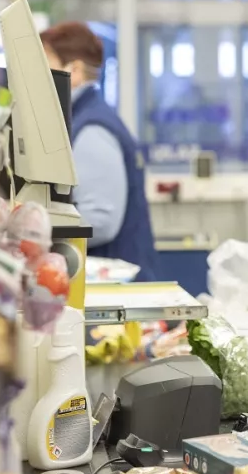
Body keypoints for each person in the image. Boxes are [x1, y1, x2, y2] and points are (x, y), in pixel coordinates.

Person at [40, 21, 160, 281]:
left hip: (117, 288)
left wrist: (38, 230)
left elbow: (101, 221)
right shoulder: (82, 119)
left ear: (75, 71)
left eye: (44, 66)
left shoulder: (93, 129)